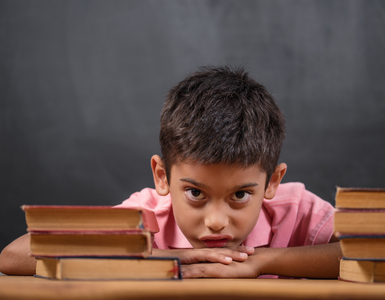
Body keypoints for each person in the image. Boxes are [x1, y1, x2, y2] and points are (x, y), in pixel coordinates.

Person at [0, 66, 341, 278]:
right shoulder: (147, 214)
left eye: (240, 195)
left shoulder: (295, 208)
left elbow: (383, 252)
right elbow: (14, 257)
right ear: (162, 176)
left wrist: (264, 262)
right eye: (195, 193)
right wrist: (164, 257)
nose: (216, 221)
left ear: (272, 182)